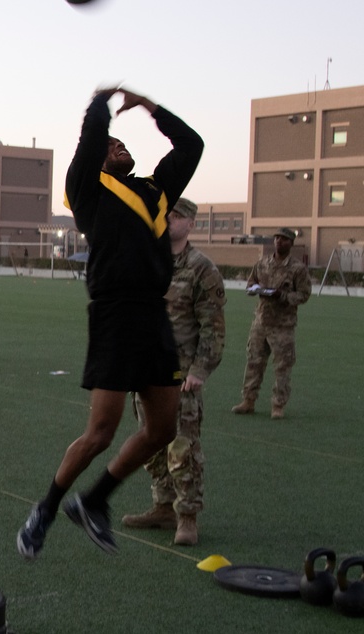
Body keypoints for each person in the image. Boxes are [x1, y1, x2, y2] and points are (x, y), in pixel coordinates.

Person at [17, 87, 204, 559]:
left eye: (122, 145)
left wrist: (149, 107)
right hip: (114, 313)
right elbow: (91, 136)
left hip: (153, 315)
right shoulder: (88, 191)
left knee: (162, 429)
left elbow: (192, 146)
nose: (118, 147)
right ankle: (46, 508)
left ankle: (95, 501)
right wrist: (101, 101)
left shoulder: (156, 191)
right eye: (110, 146)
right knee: (101, 431)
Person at [121, 197, 226, 546]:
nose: (169, 220)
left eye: (178, 216)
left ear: (191, 224)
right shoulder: (149, 262)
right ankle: (162, 506)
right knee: (150, 444)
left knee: (182, 448)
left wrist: (199, 370)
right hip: (146, 371)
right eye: (165, 215)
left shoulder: (201, 268)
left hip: (180, 377)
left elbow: (213, 327)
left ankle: (187, 517)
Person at [232, 227, 311, 419]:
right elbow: (250, 284)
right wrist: (255, 289)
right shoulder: (262, 264)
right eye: (276, 238)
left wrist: (282, 296)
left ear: (291, 243)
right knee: (254, 362)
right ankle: (248, 400)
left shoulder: (297, 269)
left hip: (282, 326)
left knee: (282, 366)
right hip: (260, 322)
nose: (279, 242)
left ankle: (278, 405)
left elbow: (303, 294)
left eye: (283, 239)